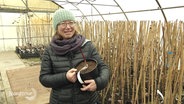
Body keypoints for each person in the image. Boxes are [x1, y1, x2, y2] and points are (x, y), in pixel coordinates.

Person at [39, 8, 110, 104]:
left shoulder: (87, 45)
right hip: (60, 101)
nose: (68, 27)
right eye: (63, 23)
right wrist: (65, 77)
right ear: (56, 27)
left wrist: (98, 83)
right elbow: (44, 78)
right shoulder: (50, 50)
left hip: (88, 100)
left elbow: (103, 67)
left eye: (71, 22)